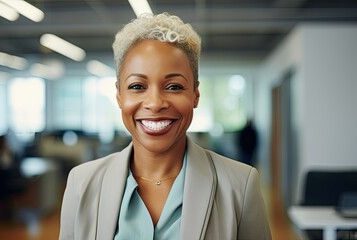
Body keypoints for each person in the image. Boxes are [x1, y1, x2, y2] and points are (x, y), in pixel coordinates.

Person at [59, 13, 271, 239]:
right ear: (119, 96)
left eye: (174, 87)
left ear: (195, 95)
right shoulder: (81, 183)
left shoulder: (240, 184)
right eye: (138, 86)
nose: (155, 103)